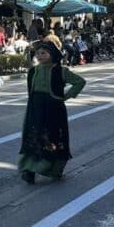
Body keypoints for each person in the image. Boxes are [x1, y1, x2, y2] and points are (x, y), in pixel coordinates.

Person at [18, 35, 86, 183]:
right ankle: (29, 170)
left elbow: (80, 82)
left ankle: (53, 169)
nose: (40, 56)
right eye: (38, 53)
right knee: (34, 137)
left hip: (54, 110)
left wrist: (67, 96)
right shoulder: (34, 71)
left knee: (53, 138)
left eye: (44, 53)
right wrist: (27, 52)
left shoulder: (60, 71)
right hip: (35, 109)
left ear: (52, 54)